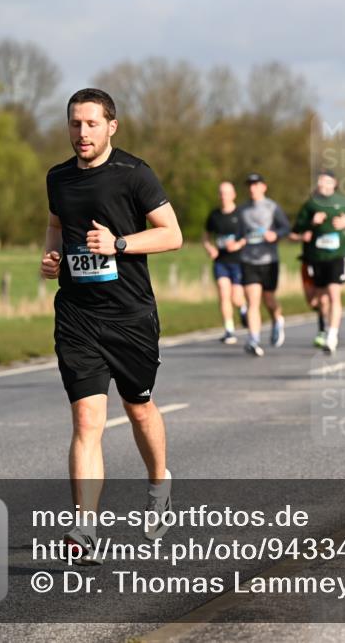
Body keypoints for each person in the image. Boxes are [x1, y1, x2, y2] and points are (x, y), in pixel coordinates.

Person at [41, 89, 182, 559]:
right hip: (78, 314)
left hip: (130, 314)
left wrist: (118, 244)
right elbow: (58, 223)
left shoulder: (134, 173)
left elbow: (172, 234)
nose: (83, 133)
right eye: (75, 124)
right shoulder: (57, 177)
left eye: (92, 124)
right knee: (86, 420)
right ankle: (86, 530)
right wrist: (53, 255)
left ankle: (160, 483)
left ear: (111, 126)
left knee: (139, 407)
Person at [293, 170, 345, 355]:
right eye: (320, 181)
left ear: (334, 183)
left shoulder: (343, 202)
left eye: (327, 181)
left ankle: (332, 335)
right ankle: (325, 327)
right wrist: (312, 223)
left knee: (334, 293)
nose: (323, 184)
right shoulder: (311, 204)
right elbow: (298, 226)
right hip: (317, 257)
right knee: (321, 299)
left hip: (337, 254)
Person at [237, 173, 291, 356]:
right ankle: (253, 339)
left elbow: (286, 227)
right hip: (248, 260)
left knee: (269, 300)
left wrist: (275, 235)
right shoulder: (242, 209)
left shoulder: (272, 207)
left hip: (269, 260)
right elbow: (238, 233)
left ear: (263, 187)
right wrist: (238, 241)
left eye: (256, 184)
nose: (252, 188)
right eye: (250, 185)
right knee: (253, 301)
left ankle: (277, 319)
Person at [203, 182, 246, 345]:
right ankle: (229, 330)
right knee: (223, 292)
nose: (223, 196)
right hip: (221, 261)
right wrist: (210, 248)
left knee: (236, 298)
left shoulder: (240, 214)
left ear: (233, 194)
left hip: (237, 261)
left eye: (227, 193)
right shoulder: (214, 215)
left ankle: (243, 310)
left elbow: (247, 236)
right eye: (221, 193)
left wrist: (237, 244)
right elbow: (206, 236)